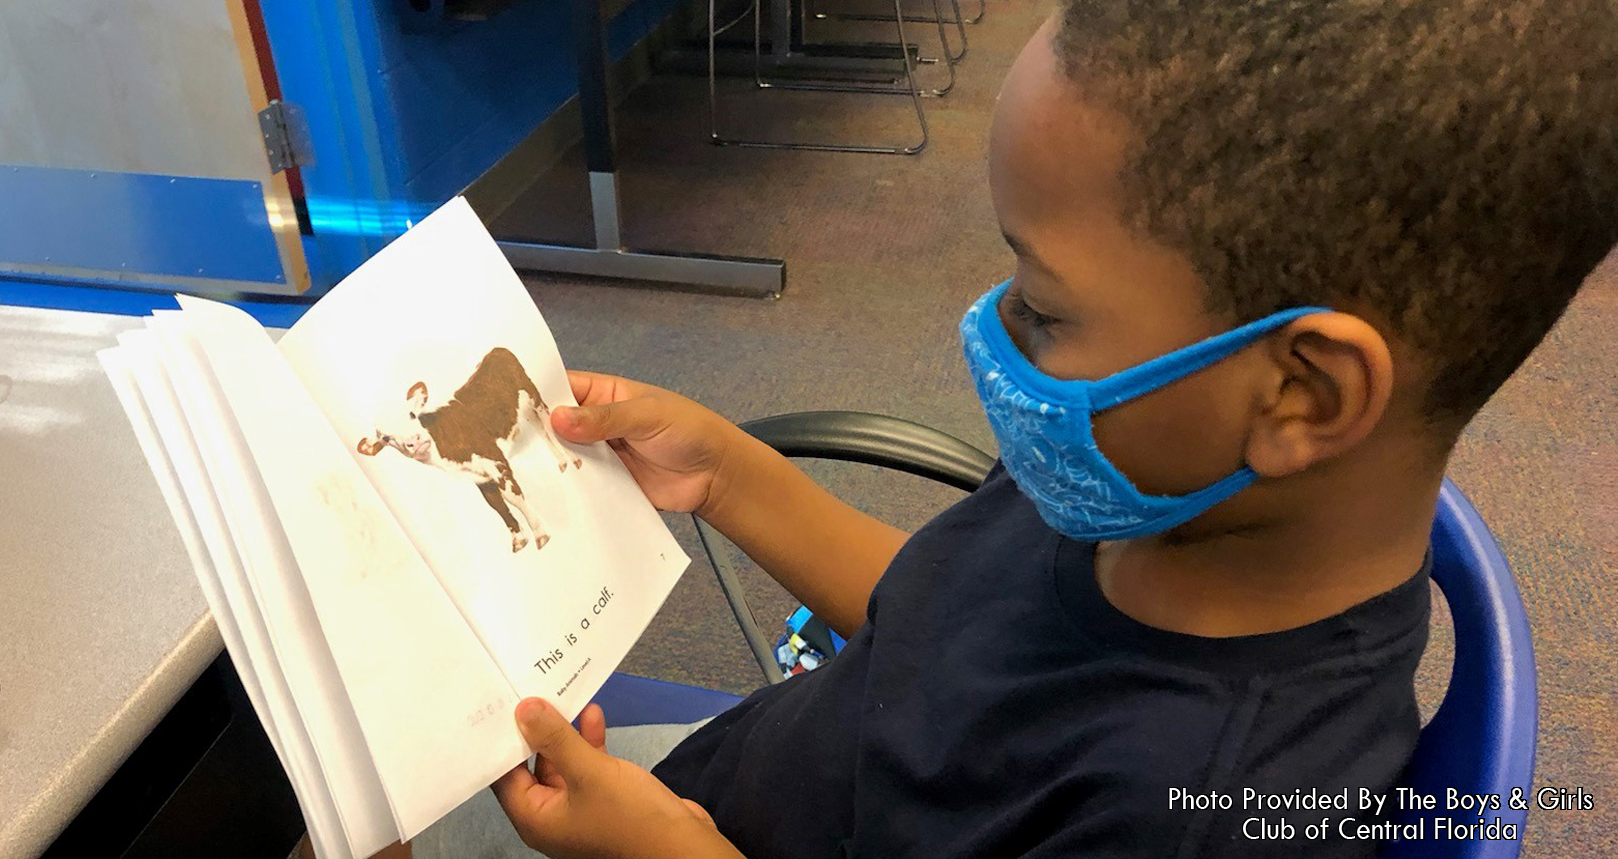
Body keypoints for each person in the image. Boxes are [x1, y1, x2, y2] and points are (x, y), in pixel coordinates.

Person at [453, 1, 1618, 857]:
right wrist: (730, 474)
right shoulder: (1155, 485)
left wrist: (668, 853)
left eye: (1045, 308)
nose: (992, 333)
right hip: (730, 785)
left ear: (1301, 394)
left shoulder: (1200, 814)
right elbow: (945, 614)